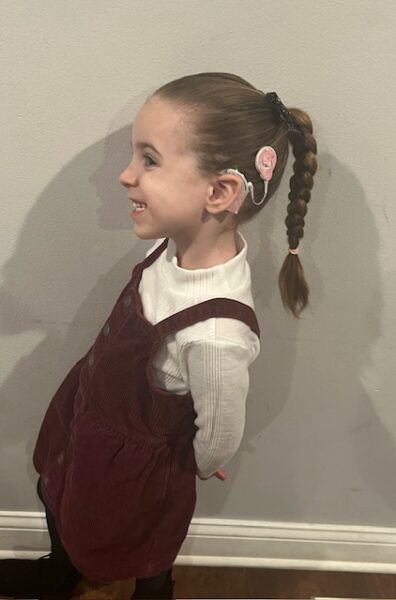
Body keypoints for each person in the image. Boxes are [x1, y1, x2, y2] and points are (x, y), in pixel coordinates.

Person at [0, 72, 317, 599]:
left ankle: (151, 590)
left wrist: (202, 461)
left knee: (144, 535)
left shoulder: (217, 331)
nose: (126, 176)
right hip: (94, 417)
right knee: (59, 493)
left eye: (148, 160)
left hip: (136, 462)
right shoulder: (172, 246)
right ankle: (61, 570)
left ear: (219, 191)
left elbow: (220, 433)